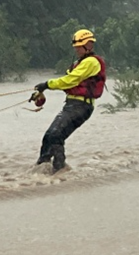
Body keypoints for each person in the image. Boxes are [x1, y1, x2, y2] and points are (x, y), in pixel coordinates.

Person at [32, 29, 106, 173]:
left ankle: (60, 170)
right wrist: (41, 92)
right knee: (49, 136)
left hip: (82, 106)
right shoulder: (79, 63)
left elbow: (70, 81)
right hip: (72, 104)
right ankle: (42, 169)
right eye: (76, 47)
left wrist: (47, 84)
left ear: (89, 45)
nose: (76, 49)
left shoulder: (91, 62)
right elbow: (65, 83)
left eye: (79, 46)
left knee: (55, 134)